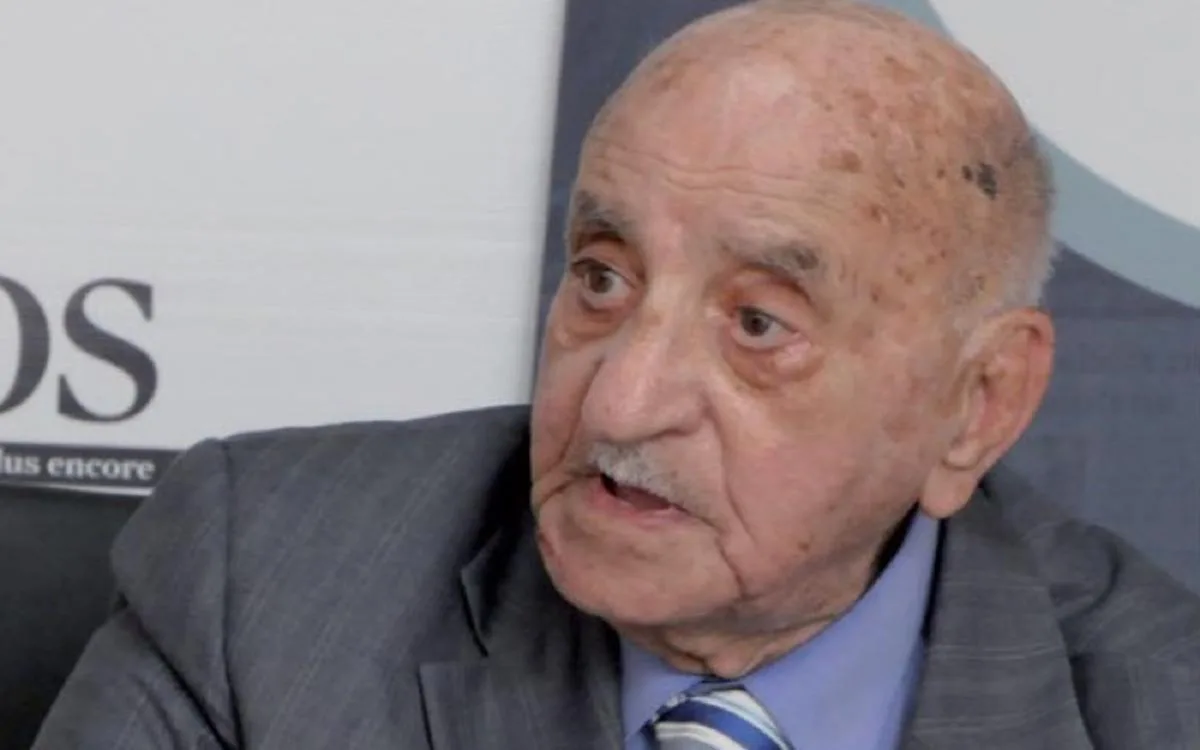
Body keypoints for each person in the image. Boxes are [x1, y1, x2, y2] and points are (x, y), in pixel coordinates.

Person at [35, 1, 1200, 748]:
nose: (618, 403)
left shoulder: (1156, 705)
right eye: (602, 278)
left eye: (758, 324)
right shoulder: (268, 584)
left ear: (977, 406)